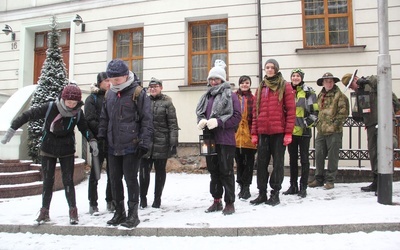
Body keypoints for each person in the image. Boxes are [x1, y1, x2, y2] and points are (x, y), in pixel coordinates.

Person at [1, 83, 98, 225]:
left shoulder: (78, 113)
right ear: (63, 99)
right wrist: (12, 128)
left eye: (74, 102)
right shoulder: (51, 107)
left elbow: (84, 128)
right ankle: (44, 211)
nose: (71, 105)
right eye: (69, 102)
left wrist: (92, 140)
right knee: (48, 181)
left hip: (67, 150)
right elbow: (28, 115)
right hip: (48, 148)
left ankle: (73, 211)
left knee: (68, 181)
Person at [98, 59, 153, 228]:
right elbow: (104, 117)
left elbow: (147, 120)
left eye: (117, 79)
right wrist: (101, 137)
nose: (113, 82)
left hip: (132, 144)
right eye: (111, 79)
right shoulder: (110, 94)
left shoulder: (138, 92)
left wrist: (144, 142)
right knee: (114, 180)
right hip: (113, 145)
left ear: (125, 76)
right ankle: (119, 212)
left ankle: (133, 214)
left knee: (130, 179)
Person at [196, 60, 241, 215]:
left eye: (216, 79)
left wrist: (219, 122)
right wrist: (201, 121)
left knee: (226, 171)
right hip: (208, 139)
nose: (213, 82)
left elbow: (236, 117)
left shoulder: (231, 95)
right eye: (211, 79)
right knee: (213, 170)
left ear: (223, 80)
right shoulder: (206, 96)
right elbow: (201, 113)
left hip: (225, 139)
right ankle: (216, 201)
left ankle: (230, 202)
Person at [341, 72, 400, 192]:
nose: (352, 87)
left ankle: (384, 181)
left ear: (356, 79)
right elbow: (363, 109)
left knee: (386, 147)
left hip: (384, 121)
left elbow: (382, 82)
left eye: (351, 84)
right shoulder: (359, 93)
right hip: (371, 123)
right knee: (373, 152)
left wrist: (367, 80)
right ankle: (376, 180)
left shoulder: (371, 84)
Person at [250, 59, 295, 206]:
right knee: (261, 164)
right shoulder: (261, 87)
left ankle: (275, 193)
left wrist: (288, 133)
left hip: (278, 132)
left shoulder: (285, 86)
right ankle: (262, 193)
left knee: (278, 164)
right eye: (267, 67)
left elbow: (291, 111)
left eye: (272, 67)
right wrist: (254, 133)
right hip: (263, 132)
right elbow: (255, 112)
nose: (269, 70)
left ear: (276, 69)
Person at [139, 77, 179, 209]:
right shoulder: (143, 101)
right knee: (143, 173)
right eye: (151, 87)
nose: (153, 89)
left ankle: (157, 199)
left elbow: (173, 124)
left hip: (162, 142)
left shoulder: (167, 103)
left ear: (161, 88)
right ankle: (143, 198)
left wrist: (173, 143)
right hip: (145, 143)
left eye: (156, 86)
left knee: (160, 173)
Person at [309, 72, 349, 190]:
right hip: (321, 130)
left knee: (332, 157)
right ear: (323, 83)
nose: (329, 83)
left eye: (331, 81)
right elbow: (316, 110)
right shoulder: (320, 95)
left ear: (334, 82)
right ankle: (318, 178)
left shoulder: (340, 96)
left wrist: (334, 125)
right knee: (319, 155)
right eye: (326, 81)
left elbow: (343, 113)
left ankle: (330, 180)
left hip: (334, 132)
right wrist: (317, 122)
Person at [283, 69, 319, 198]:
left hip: (303, 131)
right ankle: (293, 185)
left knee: (304, 159)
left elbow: (315, 112)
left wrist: (305, 123)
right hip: (290, 131)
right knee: (292, 160)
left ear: (301, 77)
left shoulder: (308, 91)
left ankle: (303, 186)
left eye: (298, 76)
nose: (295, 78)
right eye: (293, 76)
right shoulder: (286, 91)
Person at [84, 72, 113, 215]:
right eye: (106, 80)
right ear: (99, 82)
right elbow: (90, 120)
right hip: (98, 142)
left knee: (113, 174)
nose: (109, 83)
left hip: (112, 142)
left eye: (110, 80)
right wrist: (103, 131)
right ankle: (93, 203)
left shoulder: (113, 96)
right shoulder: (92, 99)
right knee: (95, 174)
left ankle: (110, 200)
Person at [234, 75, 257, 200]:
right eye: (242, 83)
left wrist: (254, 133)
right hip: (236, 135)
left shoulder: (253, 99)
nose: (244, 85)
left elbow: (255, 117)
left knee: (249, 163)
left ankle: (246, 186)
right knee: (239, 162)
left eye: (247, 83)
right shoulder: (234, 97)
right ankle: (241, 184)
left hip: (249, 135)